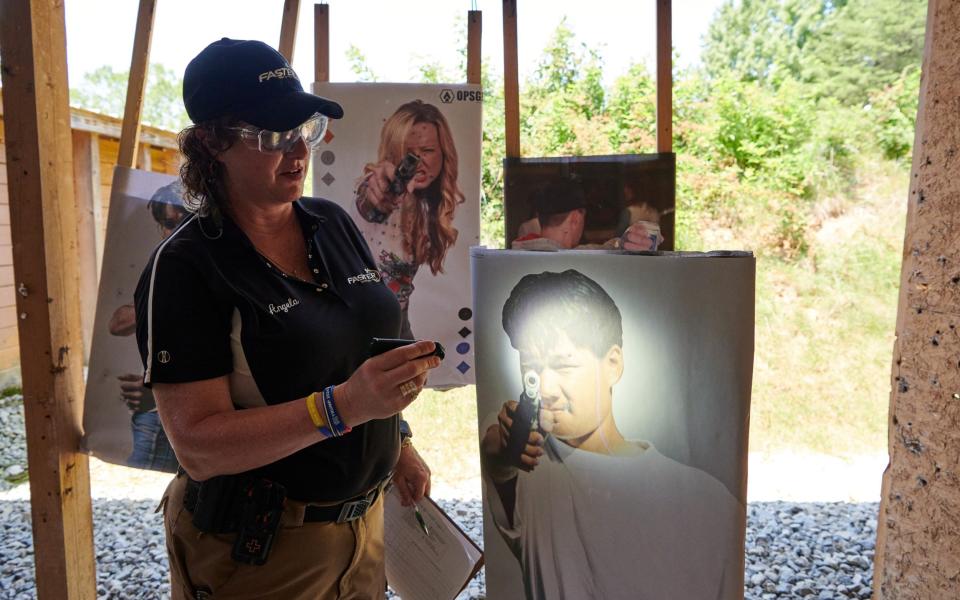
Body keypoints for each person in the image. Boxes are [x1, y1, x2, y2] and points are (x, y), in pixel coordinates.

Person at [134, 39, 439, 600]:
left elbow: (359, 350)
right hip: (259, 551)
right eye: (272, 136)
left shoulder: (330, 221)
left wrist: (398, 440)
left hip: (362, 534)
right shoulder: (185, 267)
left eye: (304, 129)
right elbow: (198, 448)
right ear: (211, 144)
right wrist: (346, 406)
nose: (297, 152)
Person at [480, 269, 743, 599]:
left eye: (563, 365)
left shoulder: (709, 502)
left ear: (613, 364)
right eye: (531, 368)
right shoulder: (531, 476)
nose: (545, 387)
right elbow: (494, 452)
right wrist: (506, 447)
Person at [353, 100, 464, 338]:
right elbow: (371, 200)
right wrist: (382, 192)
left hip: (398, 319)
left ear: (444, 153)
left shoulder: (429, 202)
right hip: (363, 322)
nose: (419, 163)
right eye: (409, 154)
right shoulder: (382, 186)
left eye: (427, 151)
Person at [109, 181, 188, 473]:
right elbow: (117, 323)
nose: (175, 231)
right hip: (154, 418)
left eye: (185, 220)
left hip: (195, 415)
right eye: (167, 224)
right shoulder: (165, 267)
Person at [511, 180, 662, 252]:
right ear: (576, 218)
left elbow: (601, 248)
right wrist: (634, 240)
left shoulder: (517, 252)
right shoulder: (580, 261)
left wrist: (623, 243)